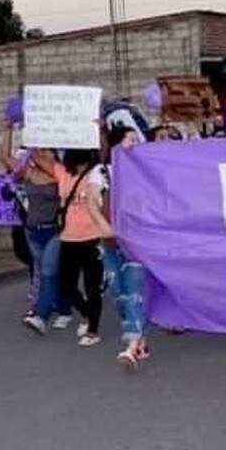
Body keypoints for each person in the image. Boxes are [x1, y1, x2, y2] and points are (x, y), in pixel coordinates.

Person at [87, 127, 151, 370]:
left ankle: (131, 347)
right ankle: (141, 340)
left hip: (136, 242)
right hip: (110, 241)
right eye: (130, 140)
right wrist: (106, 229)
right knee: (119, 293)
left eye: (137, 140)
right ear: (116, 146)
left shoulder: (145, 172)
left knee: (134, 291)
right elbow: (92, 202)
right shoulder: (101, 172)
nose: (135, 144)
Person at [24, 149, 103, 346]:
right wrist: (36, 133)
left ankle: (93, 331)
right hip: (68, 237)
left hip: (93, 237)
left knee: (92, 287)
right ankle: (86, 313)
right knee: (66, 285)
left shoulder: (97, 173)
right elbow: (37, 158)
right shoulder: (62, 172)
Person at [0, 123, 71, 327]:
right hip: (33, 232)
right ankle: (63, 309)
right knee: (48, 271)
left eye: (45, 149)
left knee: (48, 271)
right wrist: (7, 130)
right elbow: (6, 158)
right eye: (39, 149)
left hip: (54, 231)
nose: (41, 153)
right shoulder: (29, 174)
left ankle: (40, 315)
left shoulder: (60, 176)